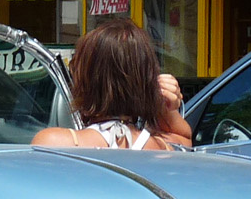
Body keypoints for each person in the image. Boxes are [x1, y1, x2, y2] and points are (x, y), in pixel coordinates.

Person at [32, 19, 192, 149]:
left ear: (84, 82)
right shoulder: (163, 149)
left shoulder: (52, 142)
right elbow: (184, 138)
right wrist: (160, 98)